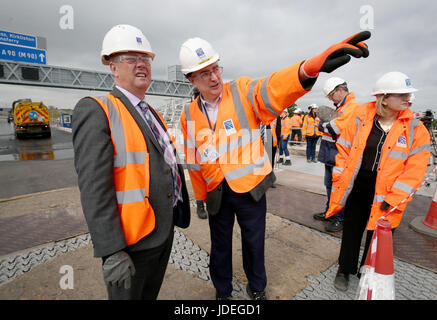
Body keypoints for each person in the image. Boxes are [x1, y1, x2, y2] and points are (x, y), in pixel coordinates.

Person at [178, 32, 371, 300]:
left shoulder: (242, 91)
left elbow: (272, 87)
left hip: (251, 189)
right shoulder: (188, 115)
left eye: (215, 69)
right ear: (191, 79)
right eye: (204, 73)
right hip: (215, 191)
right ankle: (222, 291)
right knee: (219, 246)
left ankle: (257, 287)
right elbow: (193, 159)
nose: (214, 77)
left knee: (254, 244)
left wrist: (307, 69)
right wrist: (199, 197)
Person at [72, 24, 191, 300]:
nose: (141, 65)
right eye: (131, 58)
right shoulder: (97, 110)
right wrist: (112, 250)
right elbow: (94, 189)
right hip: (130, 242)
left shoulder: (152, 114)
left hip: (161, 232)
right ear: (113, 67)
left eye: (145, 59)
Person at [326, 71, 430, 291]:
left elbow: (415, 169)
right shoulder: (362, 115)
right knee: (352, 230)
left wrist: (395, 198)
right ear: (383, 97)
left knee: (377, 238)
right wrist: (339, 176)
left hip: (388, 194)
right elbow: (343, 148)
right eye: (401, 94)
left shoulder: (415, 129)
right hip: (358, 187)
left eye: (408, 94)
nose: (408, 99)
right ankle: (344, 270)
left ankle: (368, 273)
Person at [313, 77, 360, 232]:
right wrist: (327, 125)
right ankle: (330, 212)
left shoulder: (351, 107)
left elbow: (336, 128)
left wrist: (321, 125)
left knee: (338, 187)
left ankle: (339, 218)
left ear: (340, 90)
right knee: (329, 186)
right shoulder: (341, 108)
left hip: (340, 155)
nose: (330, 99)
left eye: (331, 95)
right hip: (331, 153)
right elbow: (332, 126)